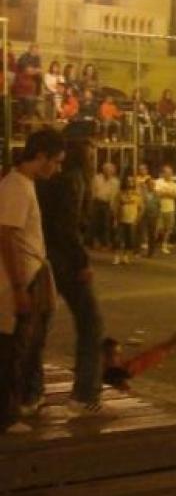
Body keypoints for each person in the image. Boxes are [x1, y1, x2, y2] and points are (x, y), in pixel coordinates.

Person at [37, 138, 109, 416]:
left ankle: (30, 391)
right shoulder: (74, 180)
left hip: (45, 259)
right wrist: (82, 261)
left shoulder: (49, 181)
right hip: (66, 261)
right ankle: (86, 393)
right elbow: (67, 225)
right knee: (91, 323)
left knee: (38, 326)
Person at [1, 130, 64, 432]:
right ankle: (8, 414)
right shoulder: (16, 187)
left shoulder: (24, 185)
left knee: (27, 343)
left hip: (32, 275)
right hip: (21, 279)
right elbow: (6, 236)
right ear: (40, 156)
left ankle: (22, 400)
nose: (58, 168)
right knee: (15, 347)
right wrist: (18, 289)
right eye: (55, 161)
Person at [89, 161, 120, 249]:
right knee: (95, 222)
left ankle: (105, 243)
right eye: (106, 169)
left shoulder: (115, 182)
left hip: (107, 204)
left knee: (106, 224)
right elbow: (93, 191)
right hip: (97, 202)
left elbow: (114, 194)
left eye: (110, 170)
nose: (108, 171)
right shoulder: (97, 178)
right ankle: (95, 242)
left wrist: (113, 206)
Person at [112, 175, 142, 265]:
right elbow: (115, 206)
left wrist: (138, 218)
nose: (130, 183)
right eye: (128, 181)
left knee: (129, 239)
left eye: (131, 181)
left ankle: (125, 256)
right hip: (121, 219)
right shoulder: (120, 193)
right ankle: (116, 257)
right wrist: (115, 218)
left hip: (132, 220)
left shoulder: (137, 194)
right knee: (118, 238)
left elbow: (141, 207)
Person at [154, 165, 176, 255]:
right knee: (157, 228)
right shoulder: (158, 182)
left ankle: (164, 245)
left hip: (170, 208)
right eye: (167, 172)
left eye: (170, 173)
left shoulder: (175, 184)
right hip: (159, 208)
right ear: (163, 173)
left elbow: (175, 195)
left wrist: (165, 193)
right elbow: (157, 193)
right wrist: (168, 193)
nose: (169, 174)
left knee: (168, 228)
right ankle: (152, 244)